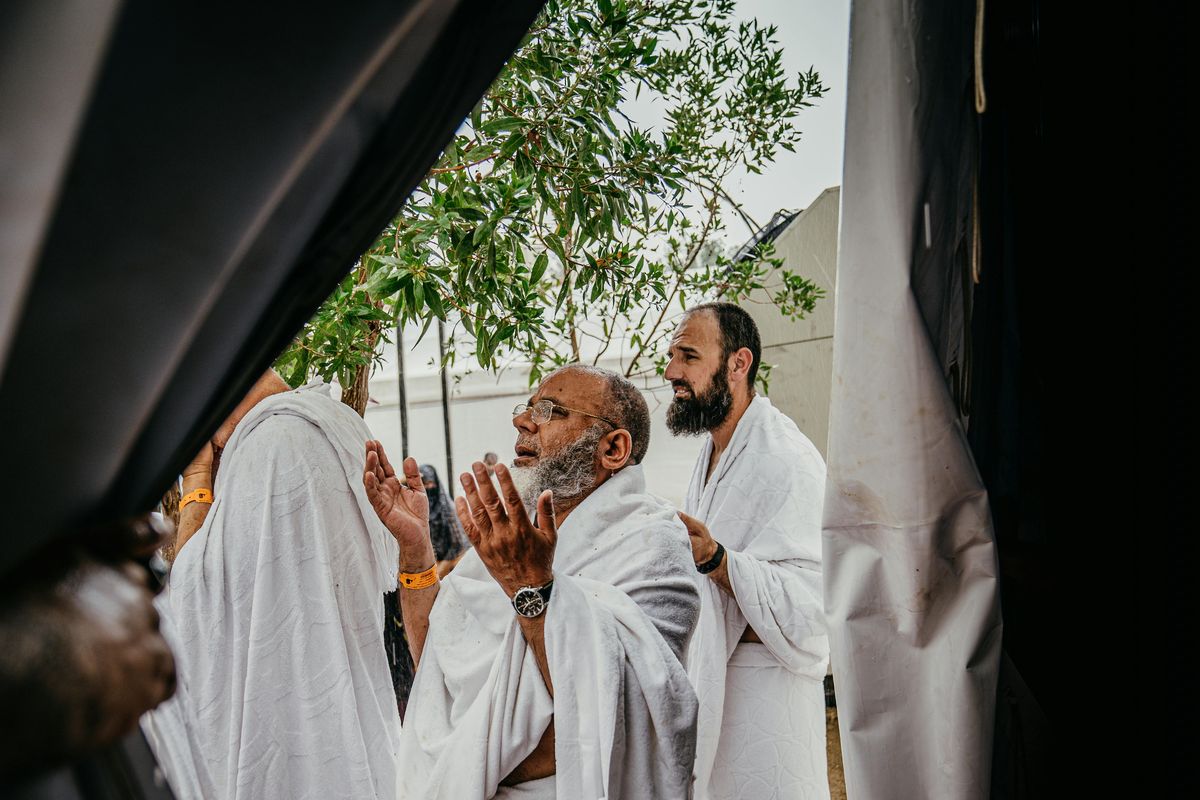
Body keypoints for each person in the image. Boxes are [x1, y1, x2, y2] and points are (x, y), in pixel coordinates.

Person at [364, 365, 701, 799]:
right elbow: (437, 660)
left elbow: (619, 713)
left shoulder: (652, 546)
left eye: (549, 411)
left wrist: (531, 585)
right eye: (527, 408)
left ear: (613, 448)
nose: (522, 421)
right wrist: (415, 549)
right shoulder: (513, 535)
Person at [147, 371, 401, 800]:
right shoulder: (330, 426)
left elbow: (193, 602)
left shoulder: (269, 449)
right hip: (338, 707)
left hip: (287, 725)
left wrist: (197, 480)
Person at [665, 302, 830, 800]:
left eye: (688, 356)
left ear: (739, 364)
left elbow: (814, 610)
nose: (671, 372)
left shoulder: (788, 459)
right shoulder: (713, 453)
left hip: (766, 700)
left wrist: (719, 562)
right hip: (713, 687)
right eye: (671, 356)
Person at [382, 463, 468, 719]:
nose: (427, 488)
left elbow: (456, 553)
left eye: (430, 483)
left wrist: (428, 572)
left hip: (439, 582)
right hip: (410, 585)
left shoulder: (447, 512)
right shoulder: (407, 507)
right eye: (423, 483)